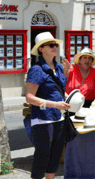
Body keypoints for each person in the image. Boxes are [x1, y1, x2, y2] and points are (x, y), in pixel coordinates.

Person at [25, 32, 71, 179]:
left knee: (55, 155)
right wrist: (54, 104)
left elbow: (59, 91)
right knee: (42, 155)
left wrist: (67, 75)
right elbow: (29, 97)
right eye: (50, 45)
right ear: (41, 49)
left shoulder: (58, 68)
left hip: (59, 118)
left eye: (55, 45)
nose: (54, 47)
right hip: (43, 119)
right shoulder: (37, 69)